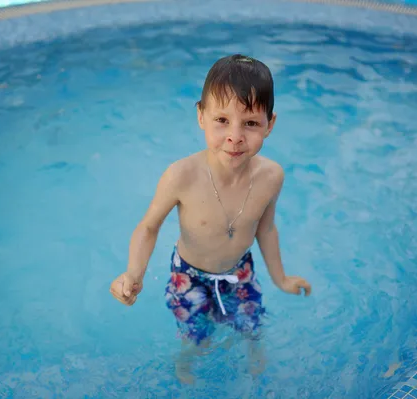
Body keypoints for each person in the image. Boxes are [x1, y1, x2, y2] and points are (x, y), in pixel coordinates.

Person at [109, 54, 312, 384]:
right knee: (196, 338)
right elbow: (148, 226)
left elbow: (266, 228)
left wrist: (281, 279)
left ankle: (254, 356)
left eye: (250, 123)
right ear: (201, 116)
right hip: (188, 276)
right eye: (222, 120)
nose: (235, 136)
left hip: (240, 270)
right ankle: (186, 362)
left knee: (251, 326)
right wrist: (134, 273)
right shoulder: (181, 176)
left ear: (270, 125)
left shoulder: (272, 176)